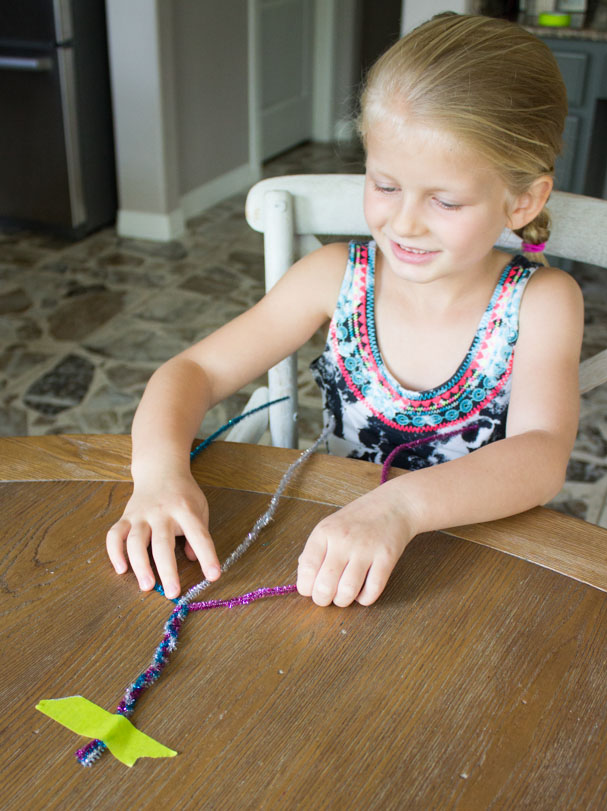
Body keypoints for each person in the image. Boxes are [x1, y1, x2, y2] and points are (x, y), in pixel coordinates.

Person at [106, 13, 583, 609]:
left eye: (444, 200)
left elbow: (542, 454)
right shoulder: (337, 277)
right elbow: (190, 373)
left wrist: (401, 506)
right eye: (385, 185)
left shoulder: (542, 302)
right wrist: (157, 475)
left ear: (523, 200)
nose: (404, 222)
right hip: (338, 561)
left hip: (477, 572)